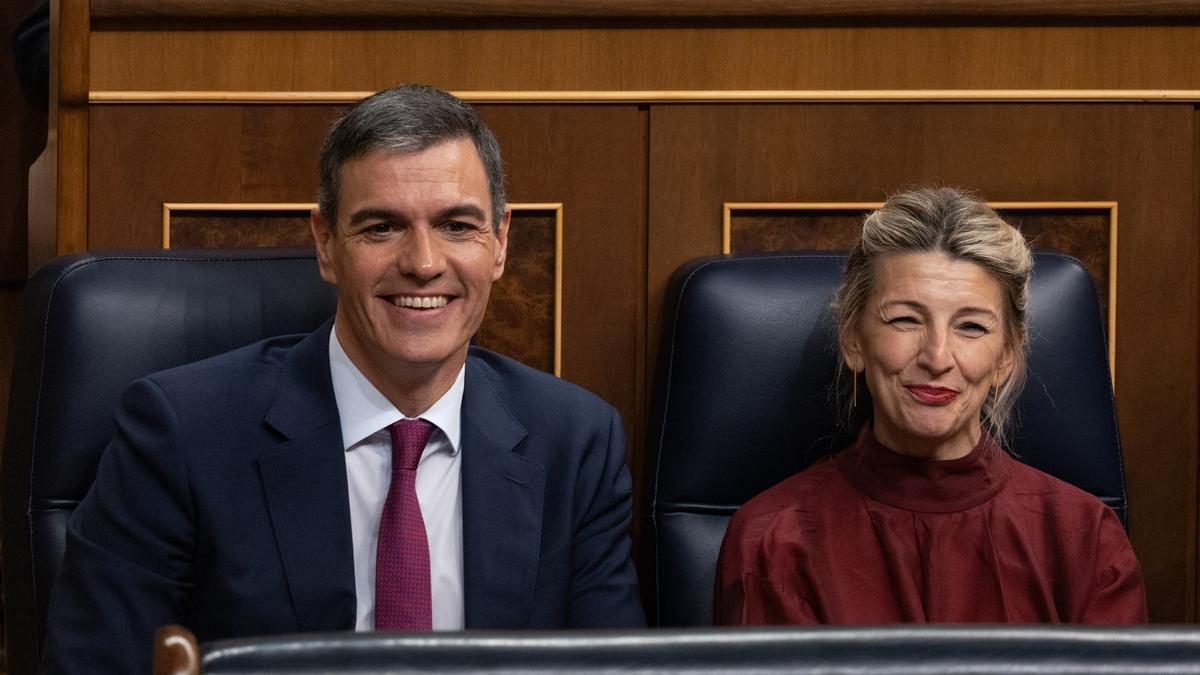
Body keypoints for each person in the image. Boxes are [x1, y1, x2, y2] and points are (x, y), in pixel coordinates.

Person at [43, 84, 645, 673]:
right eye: (381, 227)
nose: (424, 263)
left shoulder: (575, 442)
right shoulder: (181, 435)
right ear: (326, 244)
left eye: (457, 225)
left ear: (500, 243)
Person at [714, 186, 1147, 625]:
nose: (937, 358)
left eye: (972, 327)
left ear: (1006, 357)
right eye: (905, 320)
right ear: (852, 339)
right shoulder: (772, 540)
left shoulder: (1084, 539)